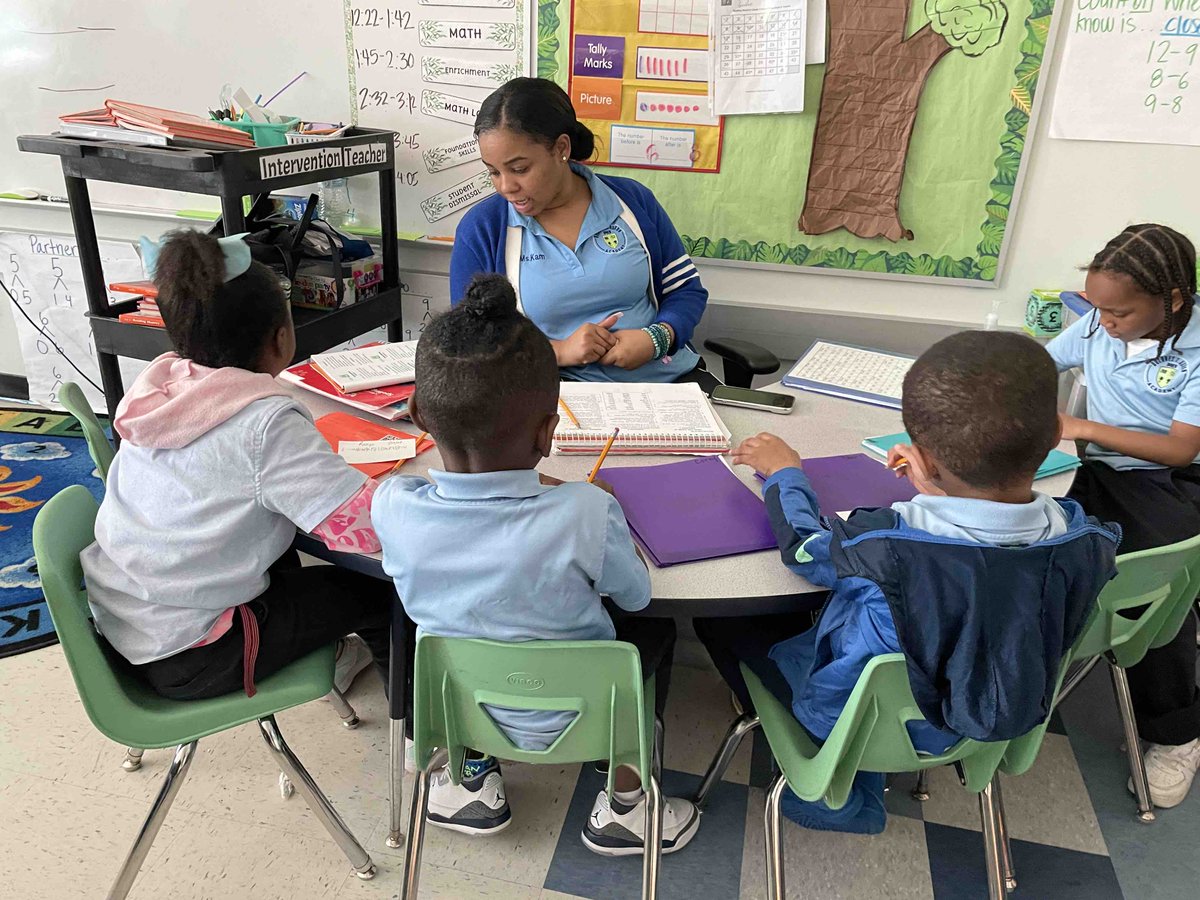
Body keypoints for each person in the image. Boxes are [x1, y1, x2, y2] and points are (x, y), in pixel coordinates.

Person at [694, 331, 1120, 832]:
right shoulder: (1084, 537)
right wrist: (939, 491)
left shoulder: (886, 544)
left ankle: (840, 793)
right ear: (1054, 436)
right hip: (988, 709)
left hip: (862, 721)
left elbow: (805, 550)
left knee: (721, 622)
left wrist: (786, 473)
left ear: (924, 456)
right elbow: (985, 564)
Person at [371, 274, 700, 855]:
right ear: (550, 431)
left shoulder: (394, 507)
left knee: (450, 628)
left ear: (419, 413)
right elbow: (637, 599)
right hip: (583, 711)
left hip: (466, 706)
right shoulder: (587, 512)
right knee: (655, 634)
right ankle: (626, 804)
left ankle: (470, 782)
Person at [82, 230, 390, 700]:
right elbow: (364, 531)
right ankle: (419, 745)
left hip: (129, 623)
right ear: (282, 336)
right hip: (198, 651)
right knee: (383, 595)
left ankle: (325, 650)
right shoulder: (266, 424)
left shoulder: (161, 388)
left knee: (282, 538)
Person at [1048, 223, 1200, 808]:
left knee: (1152, 588)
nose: (1103, 322)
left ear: (1174, 301)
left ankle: (1175, 733)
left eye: (1119, 313)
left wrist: (1083, 428)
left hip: (1169, 480)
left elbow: (1181, 447)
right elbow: (1042, 362)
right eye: (1096, 308)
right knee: (1013, 533)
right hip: (1100, 468)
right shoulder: (1096, 322)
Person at [449, 77, 713, 387]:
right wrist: (558, 352)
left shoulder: (631, 202)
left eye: (520, 169)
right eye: (493, 171)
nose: (506, 186)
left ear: (561, 148)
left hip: (667, 381)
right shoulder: (484, 228)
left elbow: (685, 290)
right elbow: (471, 340)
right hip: (556, 395)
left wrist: (657, 338)